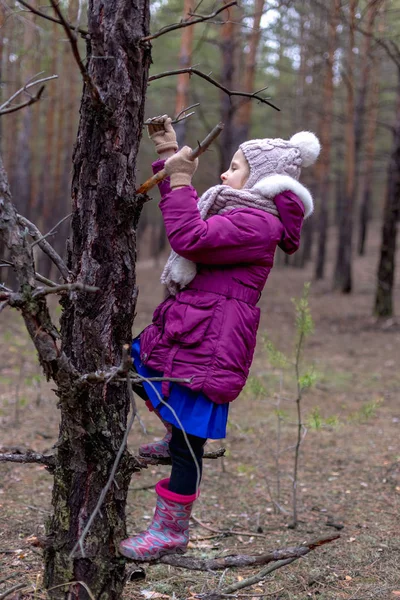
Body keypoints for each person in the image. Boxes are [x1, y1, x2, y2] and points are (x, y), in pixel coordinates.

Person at [119, 116, 320, 561]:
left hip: (213, 341)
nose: (225, 175)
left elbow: (190, 237)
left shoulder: (257, 225)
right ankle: (174, 435)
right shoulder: (241, 211)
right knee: (134, 366)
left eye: (234, 167)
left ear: (264, 179)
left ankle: (171, 531)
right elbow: (192, 223)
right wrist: (170, 157)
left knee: (190, 441)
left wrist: (182, 178)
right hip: (194, 326)